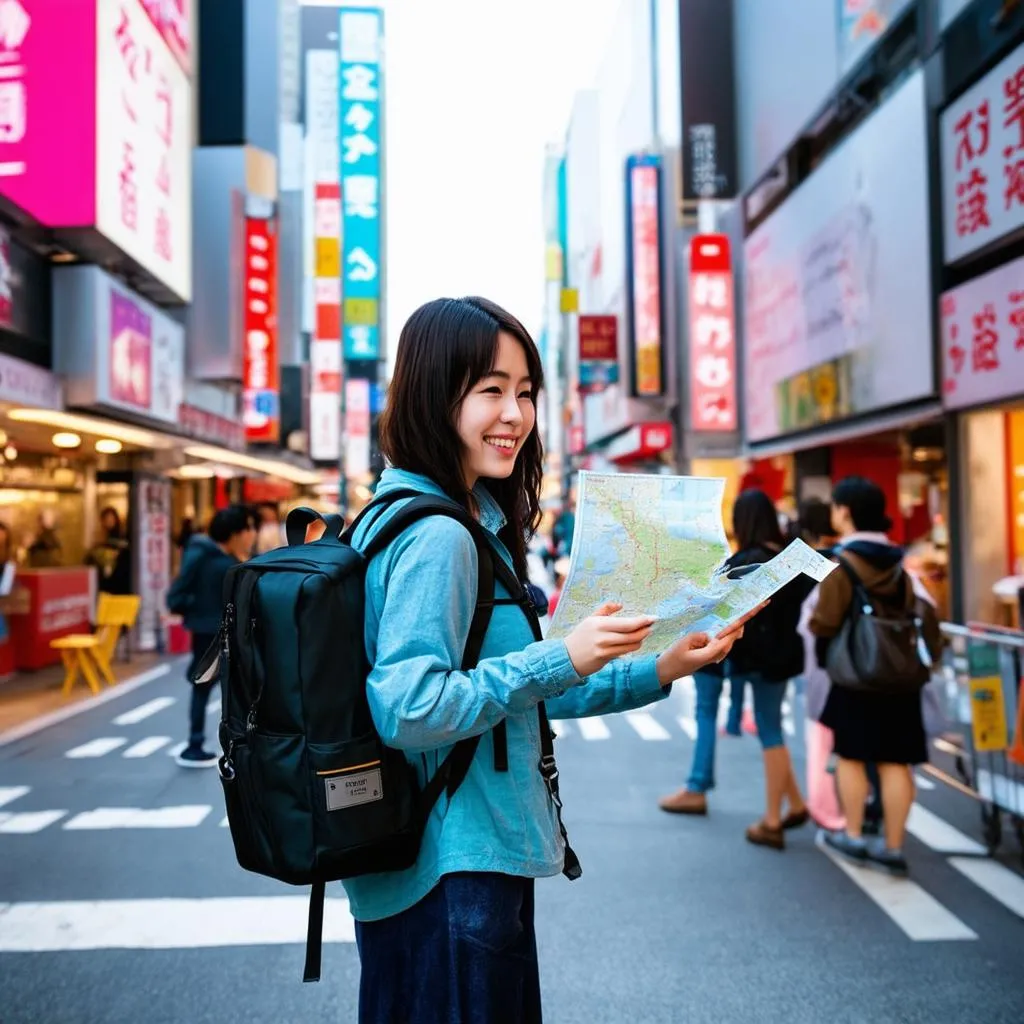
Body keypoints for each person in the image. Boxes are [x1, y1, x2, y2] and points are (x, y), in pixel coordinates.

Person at [346, 296, 750, 1023]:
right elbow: (408, 707)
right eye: (490, 390)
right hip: (454, 865)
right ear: (435, 395)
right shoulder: (440, 536)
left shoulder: (438, 518)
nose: (515, 413)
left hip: (437, 861)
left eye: (525, 391)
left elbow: (520, 692)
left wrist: (660, 667)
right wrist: (555, 658)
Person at [659, 490, 811, 849]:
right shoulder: (788, 556)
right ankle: (797, 804)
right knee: (771, 727)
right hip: (785, 657)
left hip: (757, 660)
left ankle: (773, 821)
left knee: (771, 731)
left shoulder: (746, 561)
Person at [810, 476, 942, 876]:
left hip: (854, 679)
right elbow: (929, 622)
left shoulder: (842, 566)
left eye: (836, 506)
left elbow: (823, 623)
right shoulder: (901, 568)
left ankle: (852, 835)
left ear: (845, 511)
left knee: (851, 756)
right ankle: (894, 846)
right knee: (896, 762)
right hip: (900, 680)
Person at [166, 504, 257, 768]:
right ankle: (232, 743)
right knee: (232, 687)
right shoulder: (225, 565)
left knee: (203, 685)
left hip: (202, 630)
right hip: (219, 632)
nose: (251, 534)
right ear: (235, 533)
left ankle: (195, 743)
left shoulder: (201, 554)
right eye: (248, 528)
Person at [795, 498, 845, 832]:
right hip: (850, 658)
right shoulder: (842, 559)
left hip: (812, 655)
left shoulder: (799, 558)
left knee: (821, 735)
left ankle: (828, 809)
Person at [85, 507, 133, 595]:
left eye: (111, 518)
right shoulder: (100, 538)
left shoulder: (123, 538)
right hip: (106, 583)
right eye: (106, 519)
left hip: (119, 583)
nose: (109, 522)